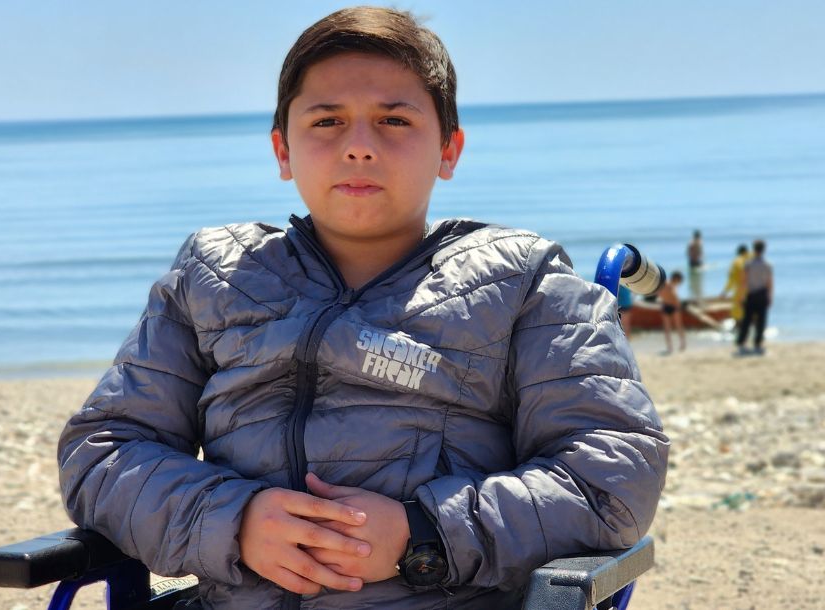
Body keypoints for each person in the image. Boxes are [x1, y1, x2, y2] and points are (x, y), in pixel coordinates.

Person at [57, 8, 668, 609]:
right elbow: (103, 451)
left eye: (394, 120)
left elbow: (612, 479)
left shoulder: (525, 284)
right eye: (326, 121)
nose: (358, 147)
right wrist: (234, 520)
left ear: (449, 149)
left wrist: (422, 536)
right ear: (283, 150)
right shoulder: (214, 274)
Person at [736, 239, 773, 355]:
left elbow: (743, 282)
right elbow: (769, 283)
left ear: (754, 249)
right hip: (762, 294)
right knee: (761, 321)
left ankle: (741, 342)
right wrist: (770, 296)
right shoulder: (767, 265)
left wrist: (741, 296)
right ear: (764, 250)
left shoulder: (748, 264)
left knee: (747, 320)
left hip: (751, 294)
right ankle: (758, 343)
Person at [720, 243, 750, 325]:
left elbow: (731, 280)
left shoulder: (736, 262)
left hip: (739, 292)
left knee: (737, 316)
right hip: (752, 292)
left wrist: (725, 292)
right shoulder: (751, 260)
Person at [657, 270, 686, 353]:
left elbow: (660, 294)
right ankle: (681, 344)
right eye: (679, 280)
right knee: (677, 326)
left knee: (668, 328)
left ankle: (671, 347)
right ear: (676, 279)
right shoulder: (671, 285)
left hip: (666, 306)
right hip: (674, 307)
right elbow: (674, 296)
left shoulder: (666, 284)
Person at [686, 229, 704, 305]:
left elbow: (688, 253)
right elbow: (699, 253)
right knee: (697, 281)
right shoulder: (697, 242)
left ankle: (693, 299)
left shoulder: (691, 242)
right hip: (695, 262)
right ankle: (697, 300)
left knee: (693, 281)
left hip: (692, 262)